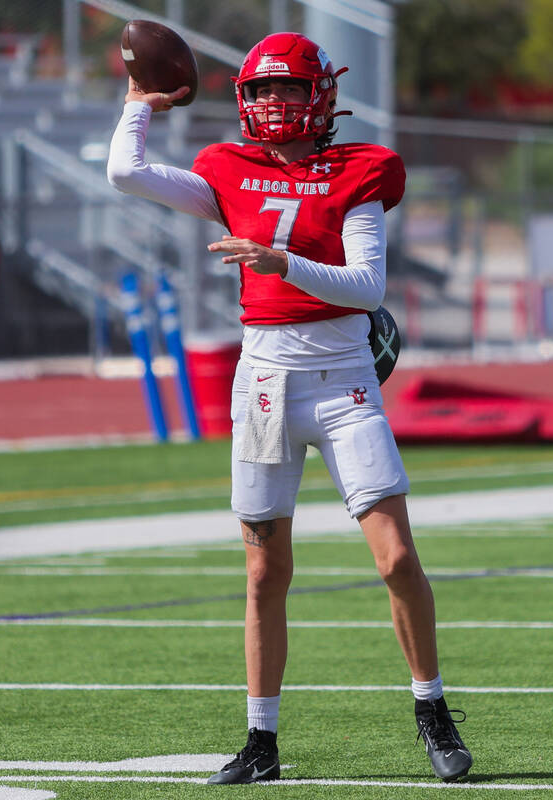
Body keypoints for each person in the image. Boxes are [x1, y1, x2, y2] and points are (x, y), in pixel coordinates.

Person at [107, 32, 472, 784]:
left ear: (321, 96)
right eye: (262, 90)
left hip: (343, 382)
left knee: (397, 558)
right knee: (264, 574)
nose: (274, 102)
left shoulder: (359, 170)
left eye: (288, 89)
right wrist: (138, 103)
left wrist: (284, 263)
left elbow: (367, 285)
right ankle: (261, 741)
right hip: (265, 381)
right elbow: (126, 172)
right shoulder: (226, 169)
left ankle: (430, 706)